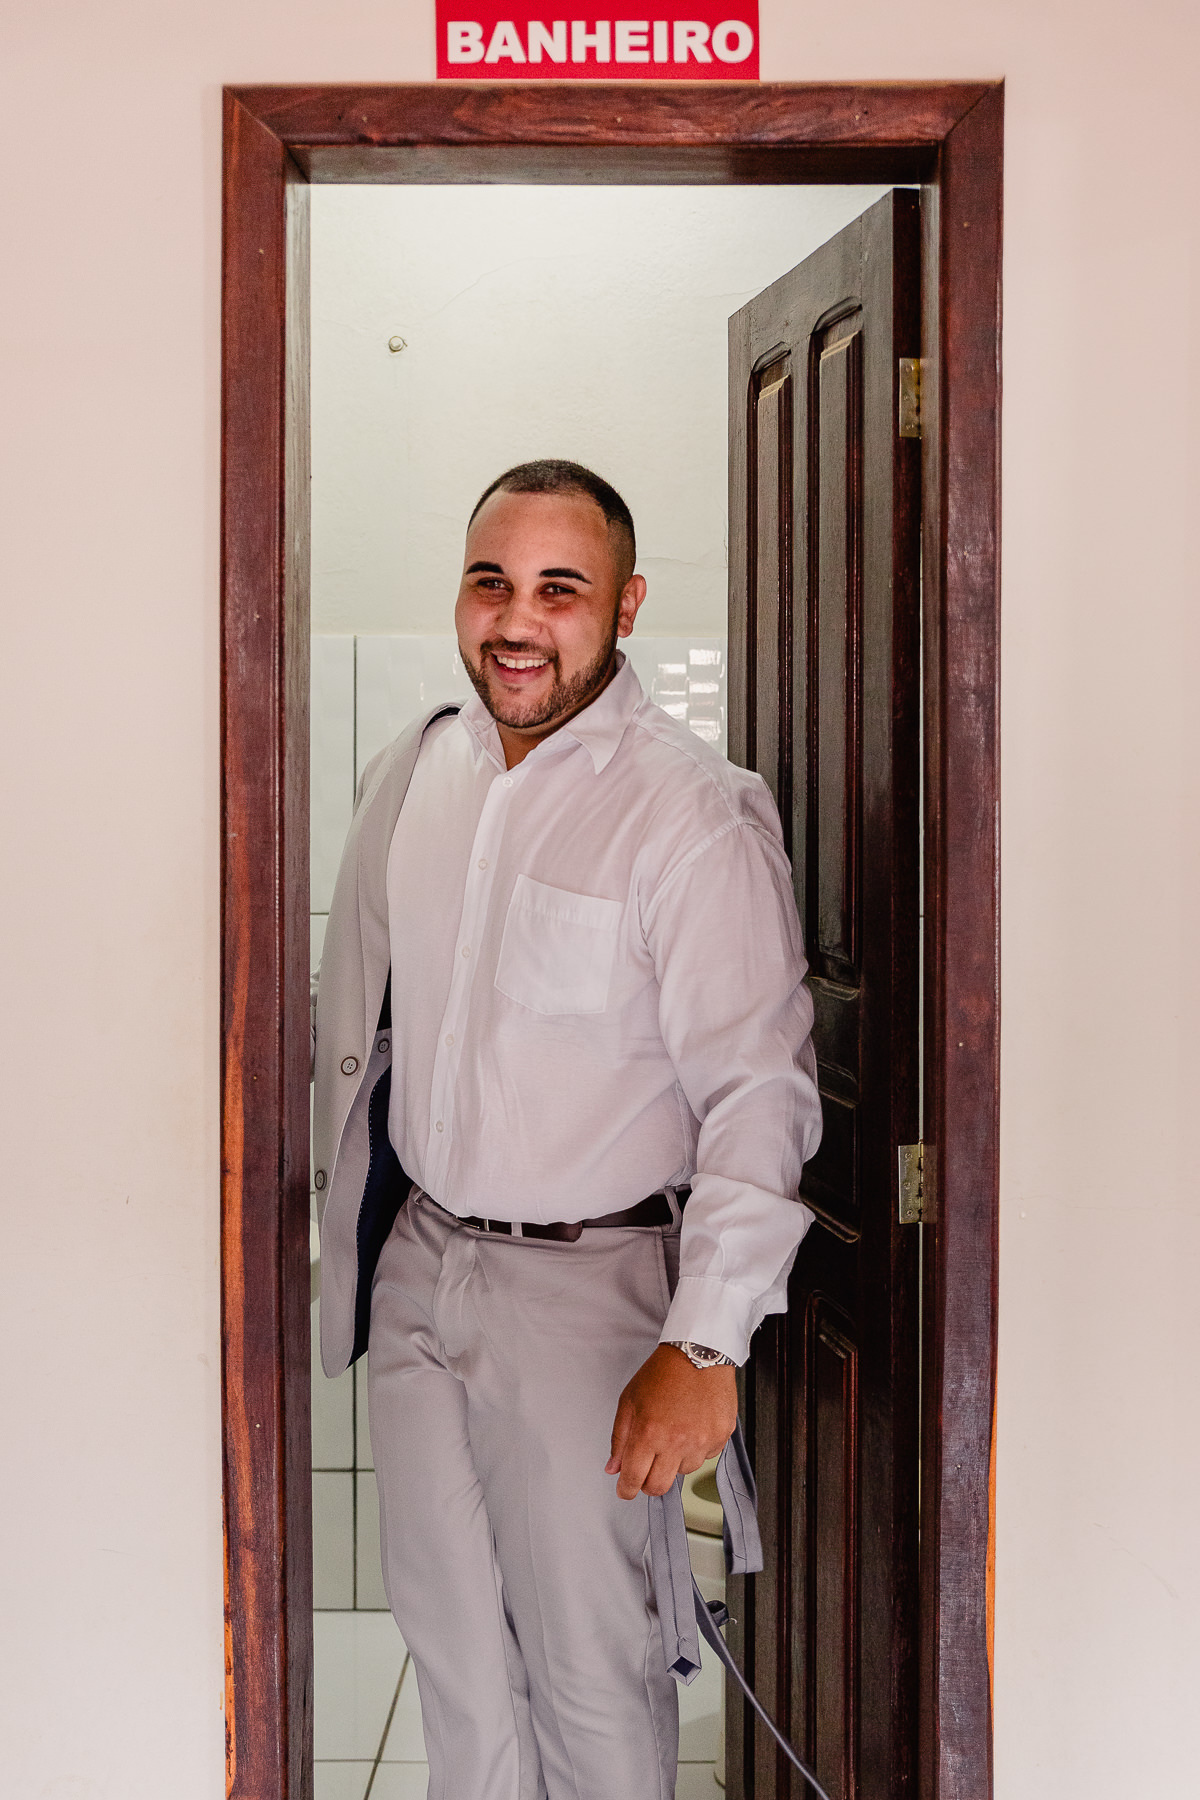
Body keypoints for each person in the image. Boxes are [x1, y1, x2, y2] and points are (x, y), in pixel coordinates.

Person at [311, 459, 822, 1800]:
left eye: (560, 589)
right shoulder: (416, 770)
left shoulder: (688, 812)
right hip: (421, 1266)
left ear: (626, 605)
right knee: (456, 1660)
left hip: (594, 1291)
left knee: (591, 1676)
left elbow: (759, 1095)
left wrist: (703, 1342)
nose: (517, 621)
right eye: (491, 583)